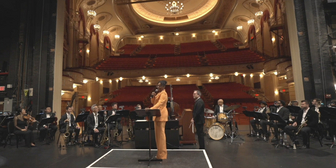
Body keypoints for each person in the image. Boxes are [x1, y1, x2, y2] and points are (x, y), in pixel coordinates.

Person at [147, 80, 168, 160]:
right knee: (158, 136)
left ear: (163, 86)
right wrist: (152, 97)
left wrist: (150, 109)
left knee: (161, 136)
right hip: (157, 115)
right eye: (157, 85)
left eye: (159, 85)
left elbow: (160, 104)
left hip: (161, 115)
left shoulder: (164, 94)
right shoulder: (159, 93)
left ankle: (163, 154)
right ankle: (159, 154)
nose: (157, 87)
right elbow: (154, 103)